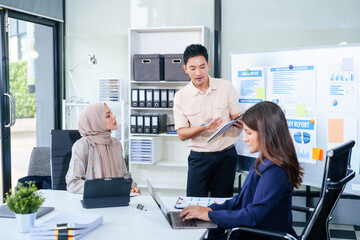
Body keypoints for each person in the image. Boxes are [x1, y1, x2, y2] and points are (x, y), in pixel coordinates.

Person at [180, 101, 304, 240]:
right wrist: (210, 210)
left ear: (266, 133)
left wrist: (209, 215)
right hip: (252, 233)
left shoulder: (274, 169)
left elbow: (253, 216)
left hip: (261, 236)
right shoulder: (264, 160)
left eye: (249, 133)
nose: (244, 139)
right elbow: (241, 200)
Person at [173, 44, 242, 197]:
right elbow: (182, 134)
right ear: (185, 69)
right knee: (194, 203)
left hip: (226, 156)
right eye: (192, 68)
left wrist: (239, 123)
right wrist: (203, 128)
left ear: (208, 65)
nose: (198, 73)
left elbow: (236, 116)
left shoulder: (226, 87)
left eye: (202, 67)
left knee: (222, 205)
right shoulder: (181, 96)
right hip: (199, 157)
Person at [66, 102, 141, 194]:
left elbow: (125, 176)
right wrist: (107, 188)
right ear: (96, 121)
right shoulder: (82, 145)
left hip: (117, 199)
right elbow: (73, 184)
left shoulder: (116, 143)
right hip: (94, 203)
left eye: (111, 113)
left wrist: (130, 186)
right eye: (108, 116)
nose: (114, 116)